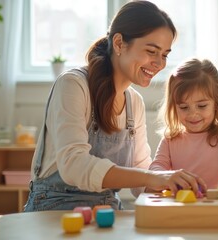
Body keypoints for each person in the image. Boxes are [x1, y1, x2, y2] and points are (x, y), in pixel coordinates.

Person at [24, 1, 206, 212]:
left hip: (107, 210)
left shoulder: (134, 102)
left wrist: (176, 184)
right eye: (151, 51)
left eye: (164, 54)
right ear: (119, 43)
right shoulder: (73, 85)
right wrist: (157, 177)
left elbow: (140, 172)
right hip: (55, 208)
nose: (159, 63)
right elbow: (73, 165)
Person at [148, 58, 218, 193]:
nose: (193, 114)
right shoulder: (170, 139)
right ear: (174, 107)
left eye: (201, 106)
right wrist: (166, 178)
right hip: (181, 207)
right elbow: (155, 169)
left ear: (216, 104)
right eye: (184, 107)